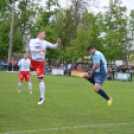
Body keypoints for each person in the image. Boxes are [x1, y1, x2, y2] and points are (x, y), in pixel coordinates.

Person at [30, 30, 61, 105]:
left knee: (40, 79)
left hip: (40, 63)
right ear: (39, 34)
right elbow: (31, 49)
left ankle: (42, 97)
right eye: (44, 33)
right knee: (24, 71)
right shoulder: (33, 40)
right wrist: (39, 50)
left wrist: (58, 43)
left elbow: (54, 46)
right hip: (33, 62)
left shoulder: (45, 42)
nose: (45, 34)